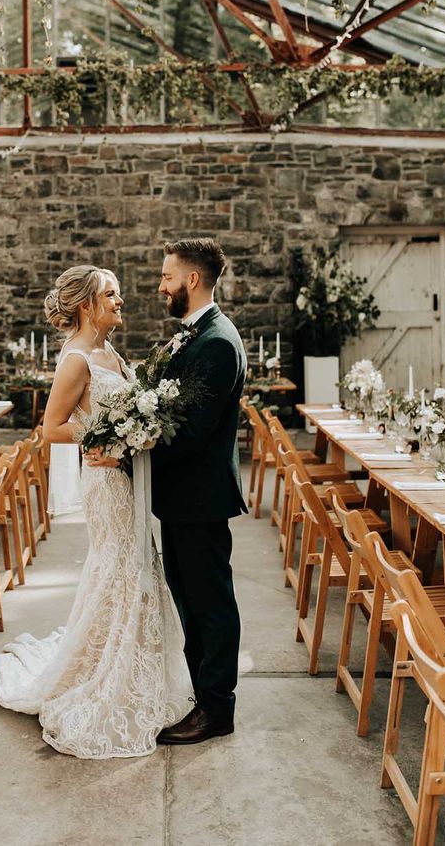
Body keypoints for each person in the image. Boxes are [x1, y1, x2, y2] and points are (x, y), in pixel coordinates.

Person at [0, 264, 191, 758]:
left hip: (126, 475)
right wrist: (111, 439)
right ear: (87, 305)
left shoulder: (110, 353)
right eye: (112, 294)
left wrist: (135, 433)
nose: (120, 301)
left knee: (136, 565)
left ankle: (129, 661)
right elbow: (51, 428)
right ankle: (108, 673)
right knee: (120, 567)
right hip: (105, 480)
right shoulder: (76, 360)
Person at [151, 238, 247, 745]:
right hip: (183, 499)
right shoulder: (196, 334)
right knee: (190, 598)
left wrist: (129, 451)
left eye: (167, 276)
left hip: (200, 499)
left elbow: (189, 432)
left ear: (192, 279)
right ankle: (202, 695)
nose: (161, 285)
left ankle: (217, 709)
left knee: (210, 604)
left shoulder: (216, 342)